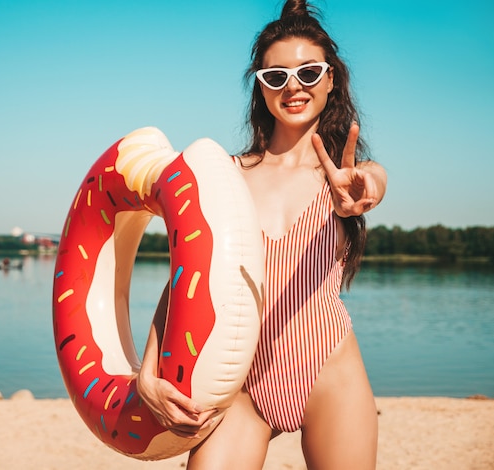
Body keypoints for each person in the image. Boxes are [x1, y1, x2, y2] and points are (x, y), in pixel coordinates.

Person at [137, 1, 387, 468]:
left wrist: (362, 193)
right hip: (239, 384)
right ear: (261, 88)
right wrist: (146, 372)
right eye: (276, 76)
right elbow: (183, 281)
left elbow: (372, 183)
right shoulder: (224, 177)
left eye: (309, 73)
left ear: (331, 79)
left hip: (329, 372)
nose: (293, 86)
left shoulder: (349, 173)